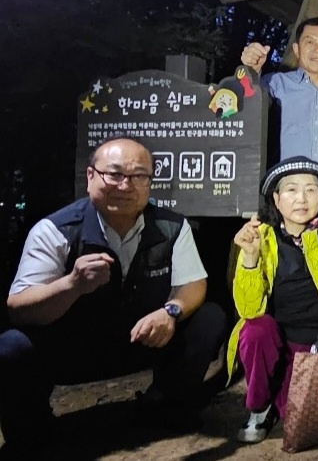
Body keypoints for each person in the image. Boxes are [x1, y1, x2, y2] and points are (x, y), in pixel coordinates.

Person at [0, 137, 226, 456]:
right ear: (91, 176)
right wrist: (72, 284)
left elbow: (193, 283)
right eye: (114, 174)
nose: (125, 185)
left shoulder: (172, 226)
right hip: (73, 351)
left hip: (139, 342)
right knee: (11, 346)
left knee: (208, 317)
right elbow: (19, 308)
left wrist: (171, 312)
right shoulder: (55, 230)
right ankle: (31, 430)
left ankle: (166, 405)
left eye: (138, 176)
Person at [228, 156, 318, 443]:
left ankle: (277, 400)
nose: (301, 199)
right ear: (277, 200)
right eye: (291, 190)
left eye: (310, 190)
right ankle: (258, 408)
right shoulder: (260, 237)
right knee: (255, 330)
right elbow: (249, 309)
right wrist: (251, 258)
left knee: (300, 413)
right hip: (275, 338)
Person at [240, 17, 318, 176]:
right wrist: (251, 71)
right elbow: (246, 105)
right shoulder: (276, 83)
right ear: (296, 49)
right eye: (310, 42)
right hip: (286, 181)